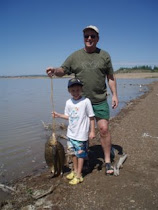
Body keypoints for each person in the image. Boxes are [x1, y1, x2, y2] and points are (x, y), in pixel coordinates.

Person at [46, 25, 119, 175]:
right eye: (86, 36)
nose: (89, 39)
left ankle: (107, 161)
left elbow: (110, 77)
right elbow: (62, 70)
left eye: (92, 36)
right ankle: (82, 161)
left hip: (99, 100)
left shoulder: (104, 55)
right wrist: (54, 70)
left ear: (98, 38)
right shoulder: (75, 56)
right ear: (83, 38)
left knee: (104, 129)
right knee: (82, 133)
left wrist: (115, 95)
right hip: (81, 102)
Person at [52, 78, 95, 185]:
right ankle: (75, 171)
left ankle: (79, 175)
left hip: (81, 135)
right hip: (70, 134)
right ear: (69, 91)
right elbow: (68, 116)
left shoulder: (86, 101)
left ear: (81, 89)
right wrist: (58, 115)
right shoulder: (68, 102)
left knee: (80, 155)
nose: (76, 92)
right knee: (73, 154)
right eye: (73, 90)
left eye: (78, 90)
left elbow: (91, 117)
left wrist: (92, 131)